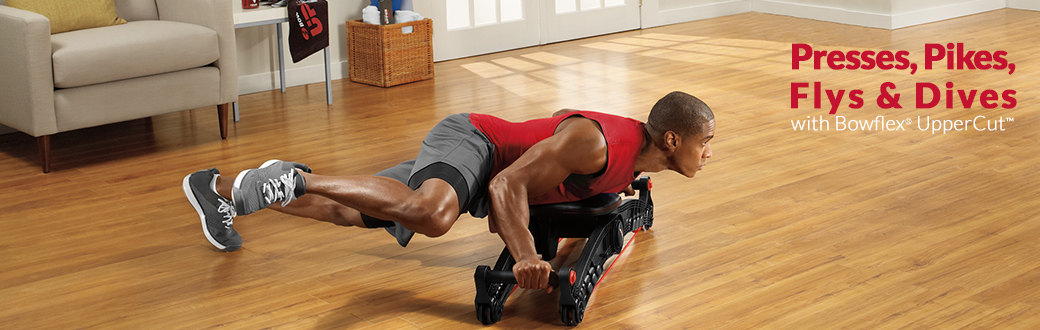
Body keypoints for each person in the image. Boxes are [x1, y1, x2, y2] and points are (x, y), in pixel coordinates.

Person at [182, 91, 715, 291]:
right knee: (432, 215)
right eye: (705, 142)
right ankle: (294, 175)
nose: (709, 152)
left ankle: (218, 190)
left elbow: (556, 120)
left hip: (480, 170)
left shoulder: (631, 159)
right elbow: (509, 181)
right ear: (672, 139)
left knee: (355, 212)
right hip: (476, 140)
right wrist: (526, 254)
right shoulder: (600, 143)